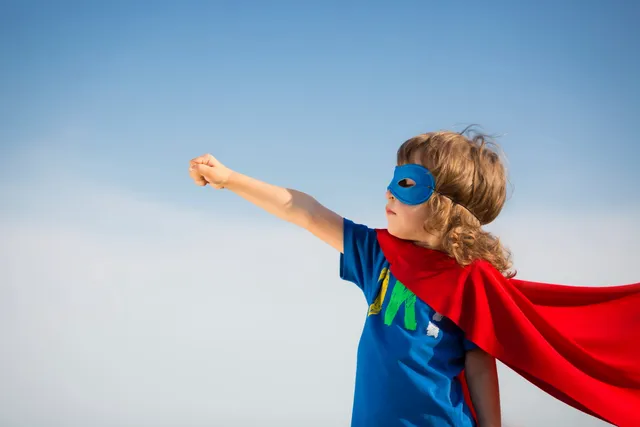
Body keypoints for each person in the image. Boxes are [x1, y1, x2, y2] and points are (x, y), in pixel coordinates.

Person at [188, 128, 640, 427]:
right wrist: (229, 179)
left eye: (406, 184)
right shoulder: (377, 255)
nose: (388, 190)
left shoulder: (469, 282)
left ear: (442, 204)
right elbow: (303, 212)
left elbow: (480, 368)